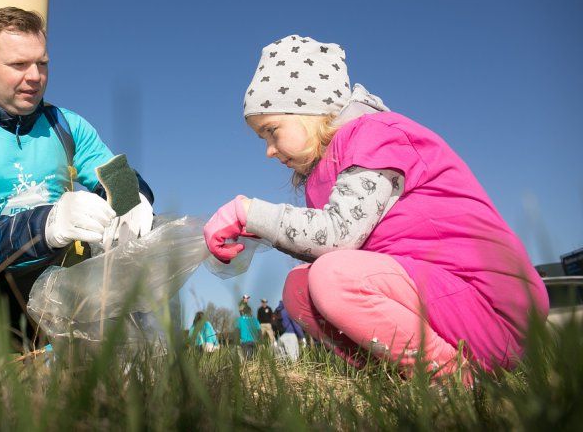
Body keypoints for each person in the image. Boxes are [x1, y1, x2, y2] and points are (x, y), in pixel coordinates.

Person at [204, 35, 549, 382]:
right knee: (299, 287)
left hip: (490, 306)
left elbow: (338, 236)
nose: (269, 150)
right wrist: (259, 230)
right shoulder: (325, 174)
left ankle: (454, 377)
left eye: (271, 131)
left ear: (310, 110)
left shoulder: (373, 136)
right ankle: (397, 374)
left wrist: (251, 213)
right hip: (442, 302)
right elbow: (331, 248)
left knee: (331, 276)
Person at [0, 7, 154, 348]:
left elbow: (114, 175)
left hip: (55, 286)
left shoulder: (66, 125)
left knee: (129, 266)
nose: (35, 76)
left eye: (42, 63)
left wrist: (133, 198)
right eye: (19, 64)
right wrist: (43, 226)